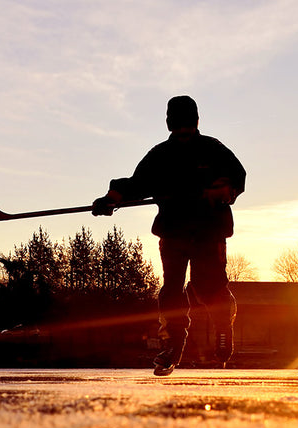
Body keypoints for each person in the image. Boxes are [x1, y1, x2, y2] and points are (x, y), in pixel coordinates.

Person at [93, 96, 246, 376]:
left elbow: (237, 176)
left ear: (197, 122)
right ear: (169, 124)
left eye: (188, 124)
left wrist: (225, 189)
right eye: (178, 125)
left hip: (208, 231)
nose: (183, 130)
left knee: (206, 286)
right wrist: (112, 197)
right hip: (174, 231)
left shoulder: (213, 149)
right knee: (172, 289)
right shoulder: (160, 155)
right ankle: (172, 342)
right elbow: (137, 183)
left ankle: (223, 325)